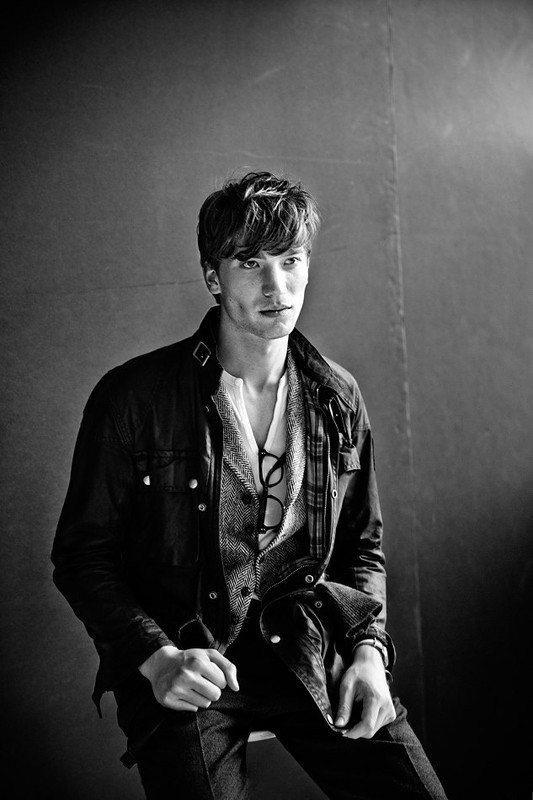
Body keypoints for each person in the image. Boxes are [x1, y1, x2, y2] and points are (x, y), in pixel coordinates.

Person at [52, 171, 447, 799]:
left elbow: (362, 547)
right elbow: (82, 556)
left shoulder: (337, 397)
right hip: (190, 656)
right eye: (250, 262)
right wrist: (155, 658)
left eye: (291, 260)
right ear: (213, 276)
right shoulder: (133, 399)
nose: (276, 287)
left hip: (303, 645)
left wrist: (370, 651)